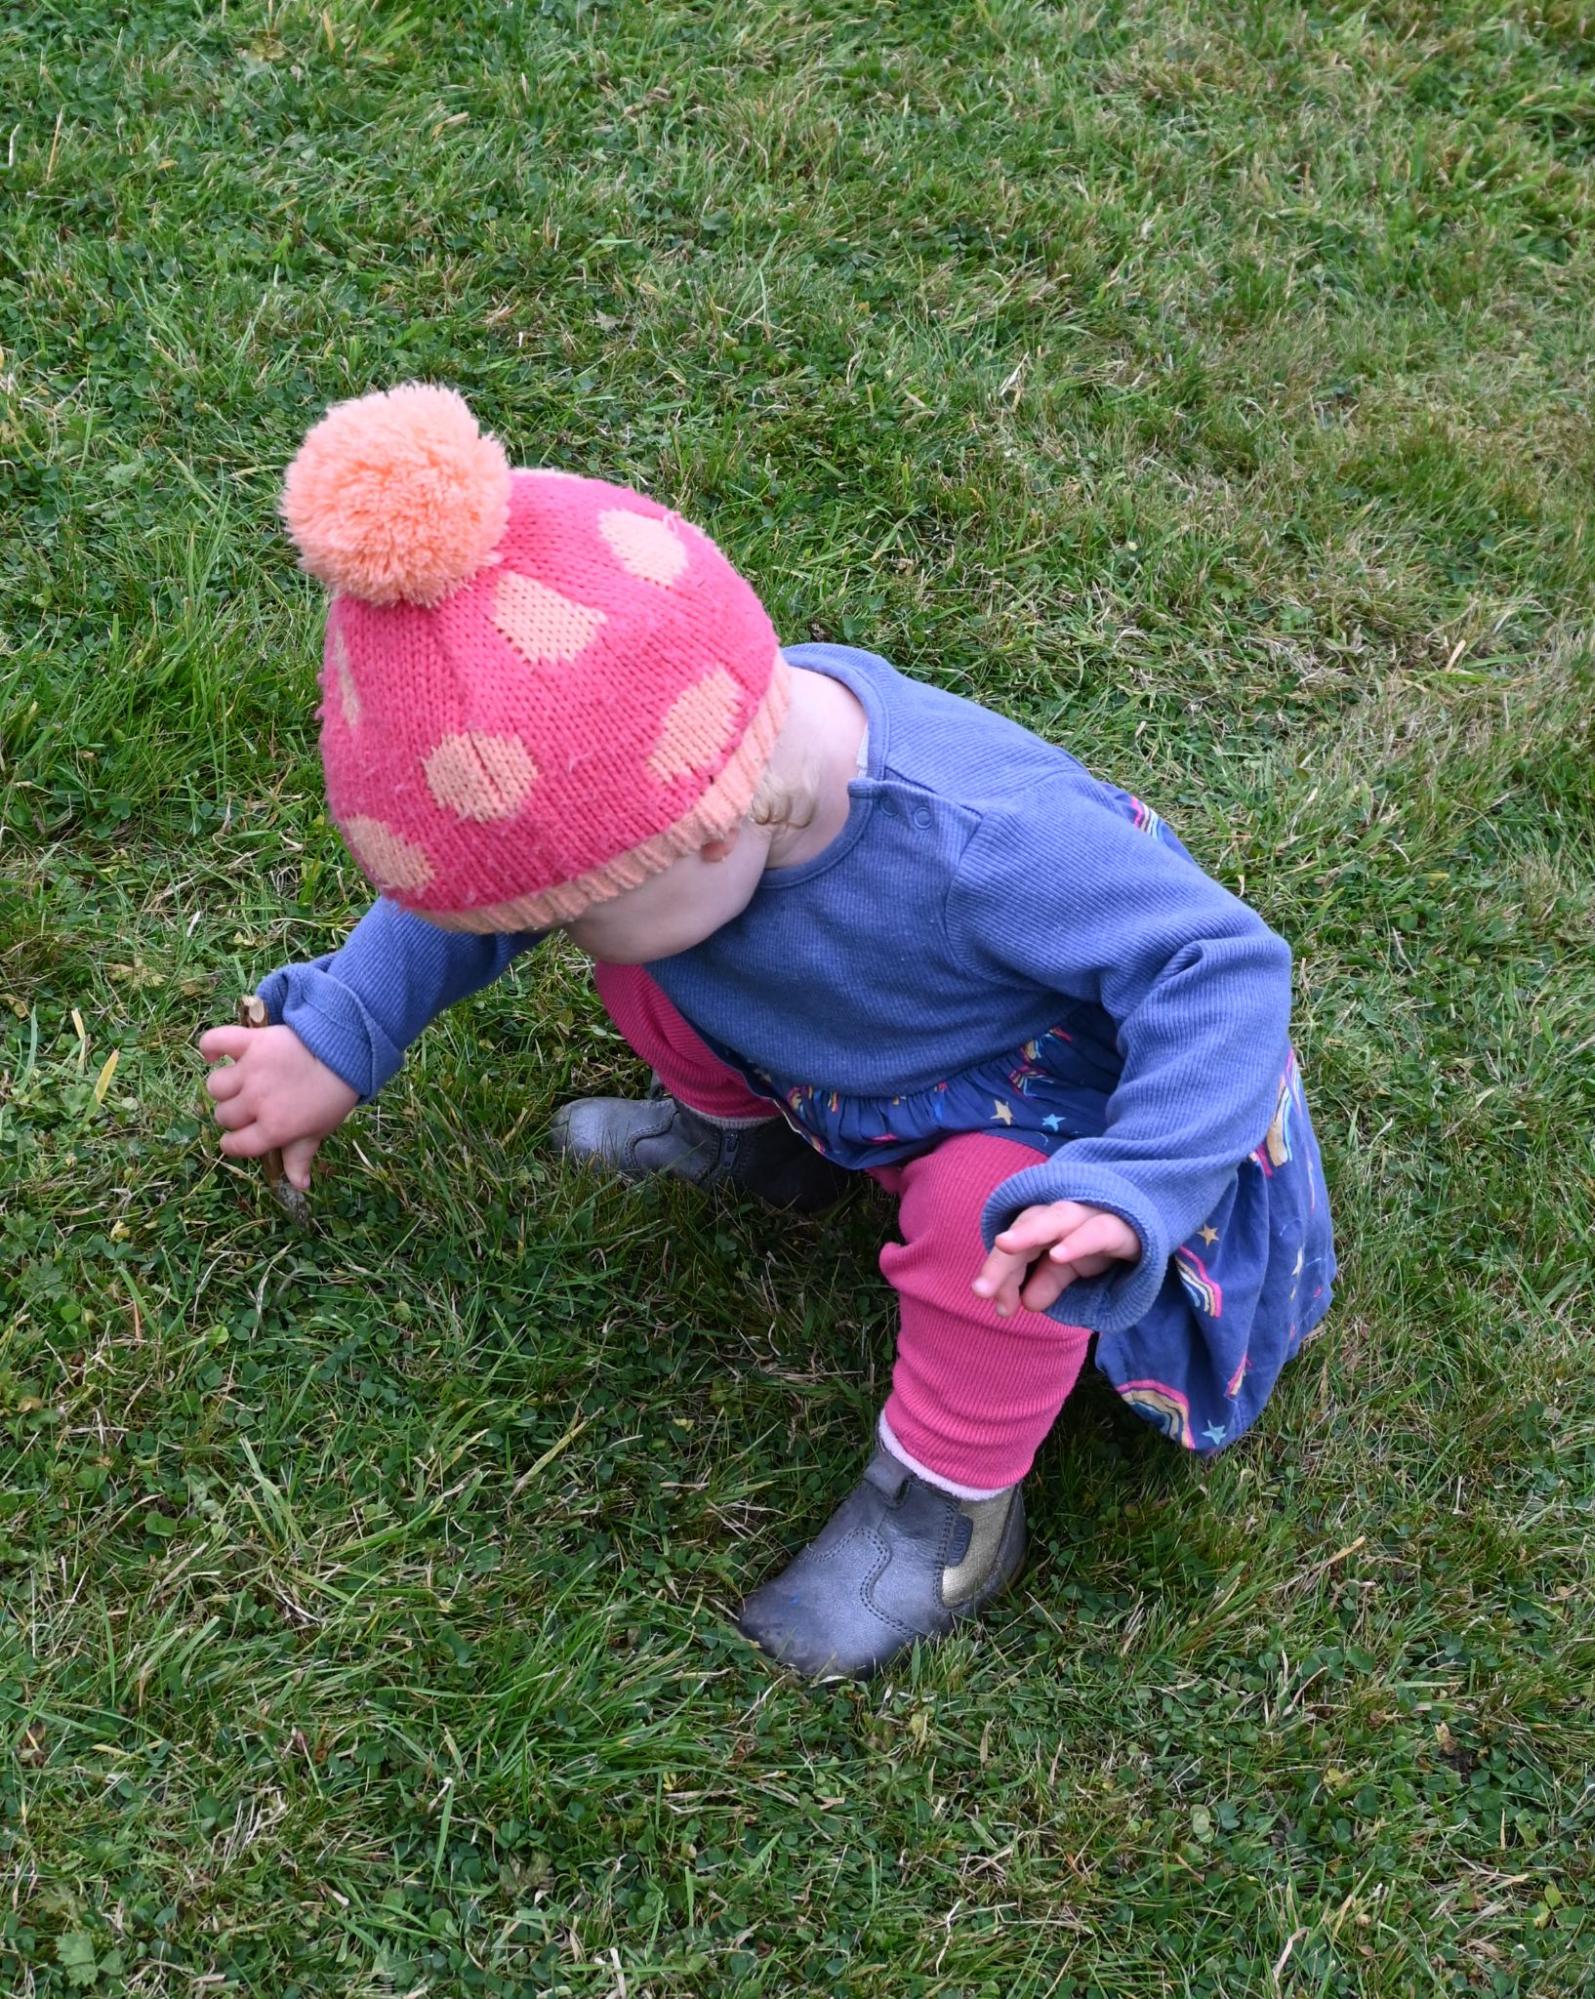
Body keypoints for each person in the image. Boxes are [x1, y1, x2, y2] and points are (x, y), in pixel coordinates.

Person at [199, 384, 1336, 1680]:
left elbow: (1222, 964)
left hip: (1056, 1113)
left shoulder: (981, 842)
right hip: (855, 1061)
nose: (546, 934)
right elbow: (502, 895)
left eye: (575, 913)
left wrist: (1138, 1181)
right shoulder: (669, 779)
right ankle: (760, 1149)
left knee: (991, 1219)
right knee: (650, 971)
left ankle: (946, 1511)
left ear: (714, 824)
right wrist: (338, 1031)